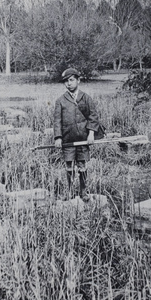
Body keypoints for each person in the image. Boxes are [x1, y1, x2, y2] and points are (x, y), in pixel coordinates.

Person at [53, 67, 100, 200]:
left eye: (71, 80)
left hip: (83, 139)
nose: (69, 83)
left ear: (78, 80)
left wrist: (91, 134)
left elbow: (93, 117)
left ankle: (83, 191)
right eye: (66, 81)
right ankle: (68, 191)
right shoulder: (60, 101)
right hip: (68, 139)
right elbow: (57, 121)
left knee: (82, 165)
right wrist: (58, 137)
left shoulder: (86, 98)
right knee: (69, 165)